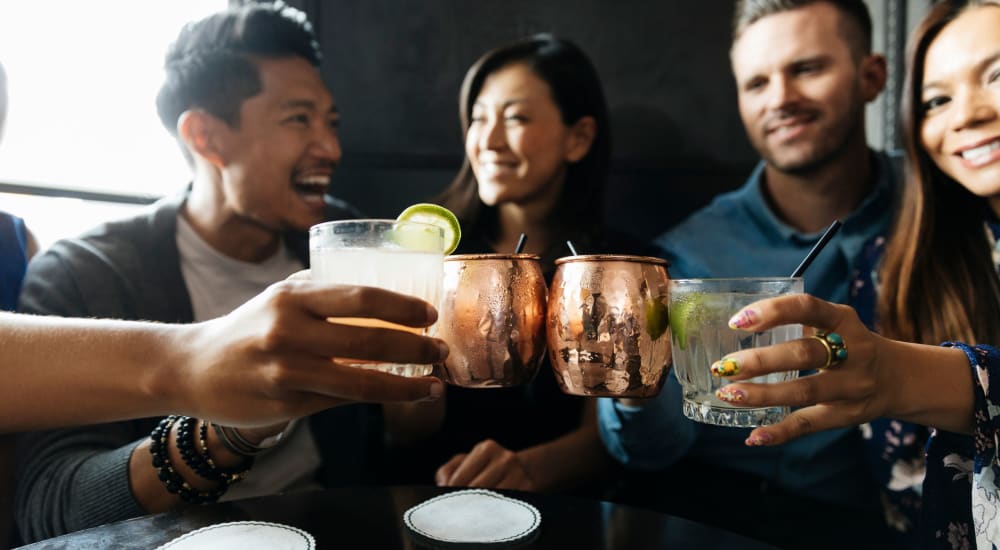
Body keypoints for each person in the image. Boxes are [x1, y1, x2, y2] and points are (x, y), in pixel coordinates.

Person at [12, 3, 409, 542]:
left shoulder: (346, 241)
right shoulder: (85, 272)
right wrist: (225, 431)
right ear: (205, 136)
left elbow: (396, 440)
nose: (331, 148)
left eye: (331, 122)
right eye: (299, 119)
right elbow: (49, 506)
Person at [598, 1, 903, 547]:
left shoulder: (938, 212)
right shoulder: (690, 254)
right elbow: (651, 450)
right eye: (757, 82)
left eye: (807, 69)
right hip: (715, 519)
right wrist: (632, 387)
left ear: (871, 76)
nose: (781, 98)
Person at [709, 2, 1000, 547]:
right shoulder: (901, 262)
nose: (965, 115)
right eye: (937, 99)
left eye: (996, 76)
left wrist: (901, 375)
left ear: (873, 78)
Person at [384, 34, 627, 495]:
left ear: (579, 138)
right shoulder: (428, 248)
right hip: (428, 496)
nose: (489, 140)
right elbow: (404, 430)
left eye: (515, 118)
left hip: (563, 510)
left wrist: (527, 470)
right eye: (478, 119)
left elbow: (612, 435)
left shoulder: (609, 266)